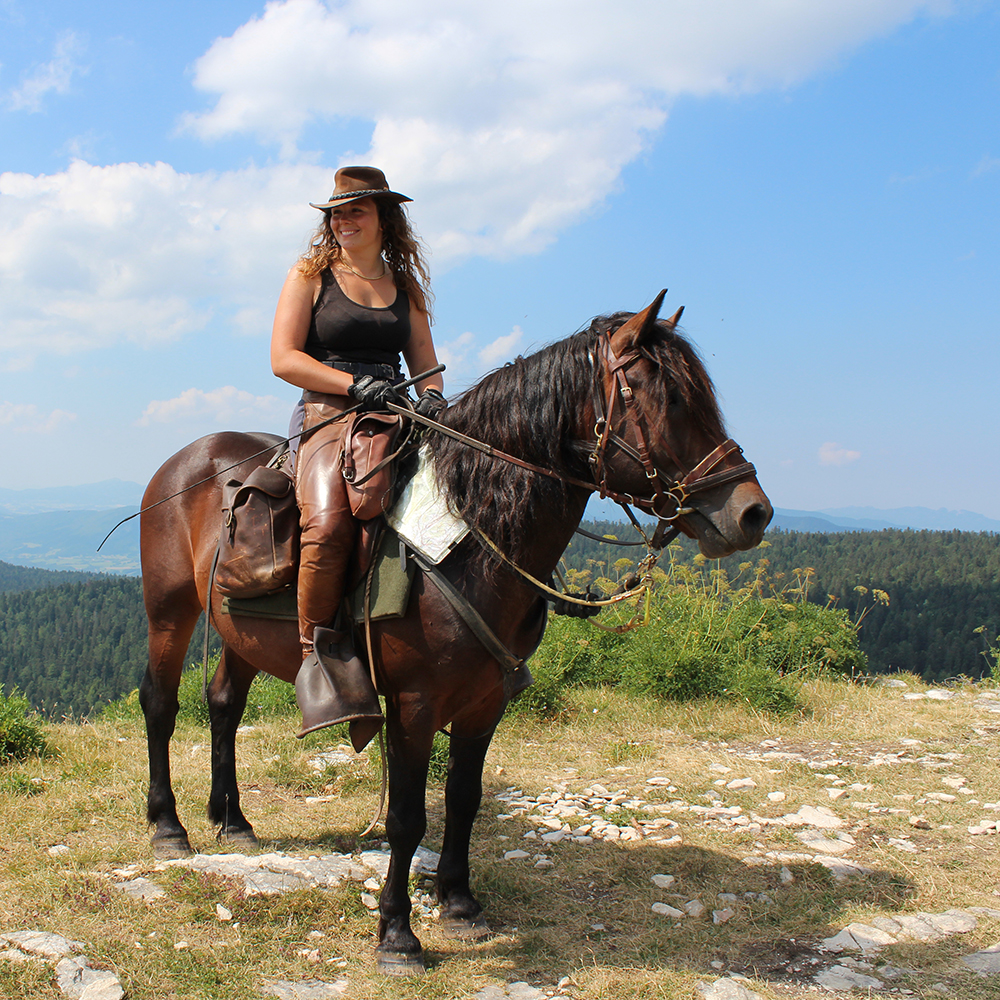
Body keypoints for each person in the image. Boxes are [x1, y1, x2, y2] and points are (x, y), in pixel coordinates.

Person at [270, 166, 445, 745]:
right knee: (329, 522)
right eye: (336, 213)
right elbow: (284, 358)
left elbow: (426, 367)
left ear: (383, 218)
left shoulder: (406, 287)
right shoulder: (310, 276)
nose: (343, 220)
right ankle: (316, 658)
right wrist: (351, 386)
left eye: (355, 211)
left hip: (395, 415)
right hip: (326, 415)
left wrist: (435, 402)